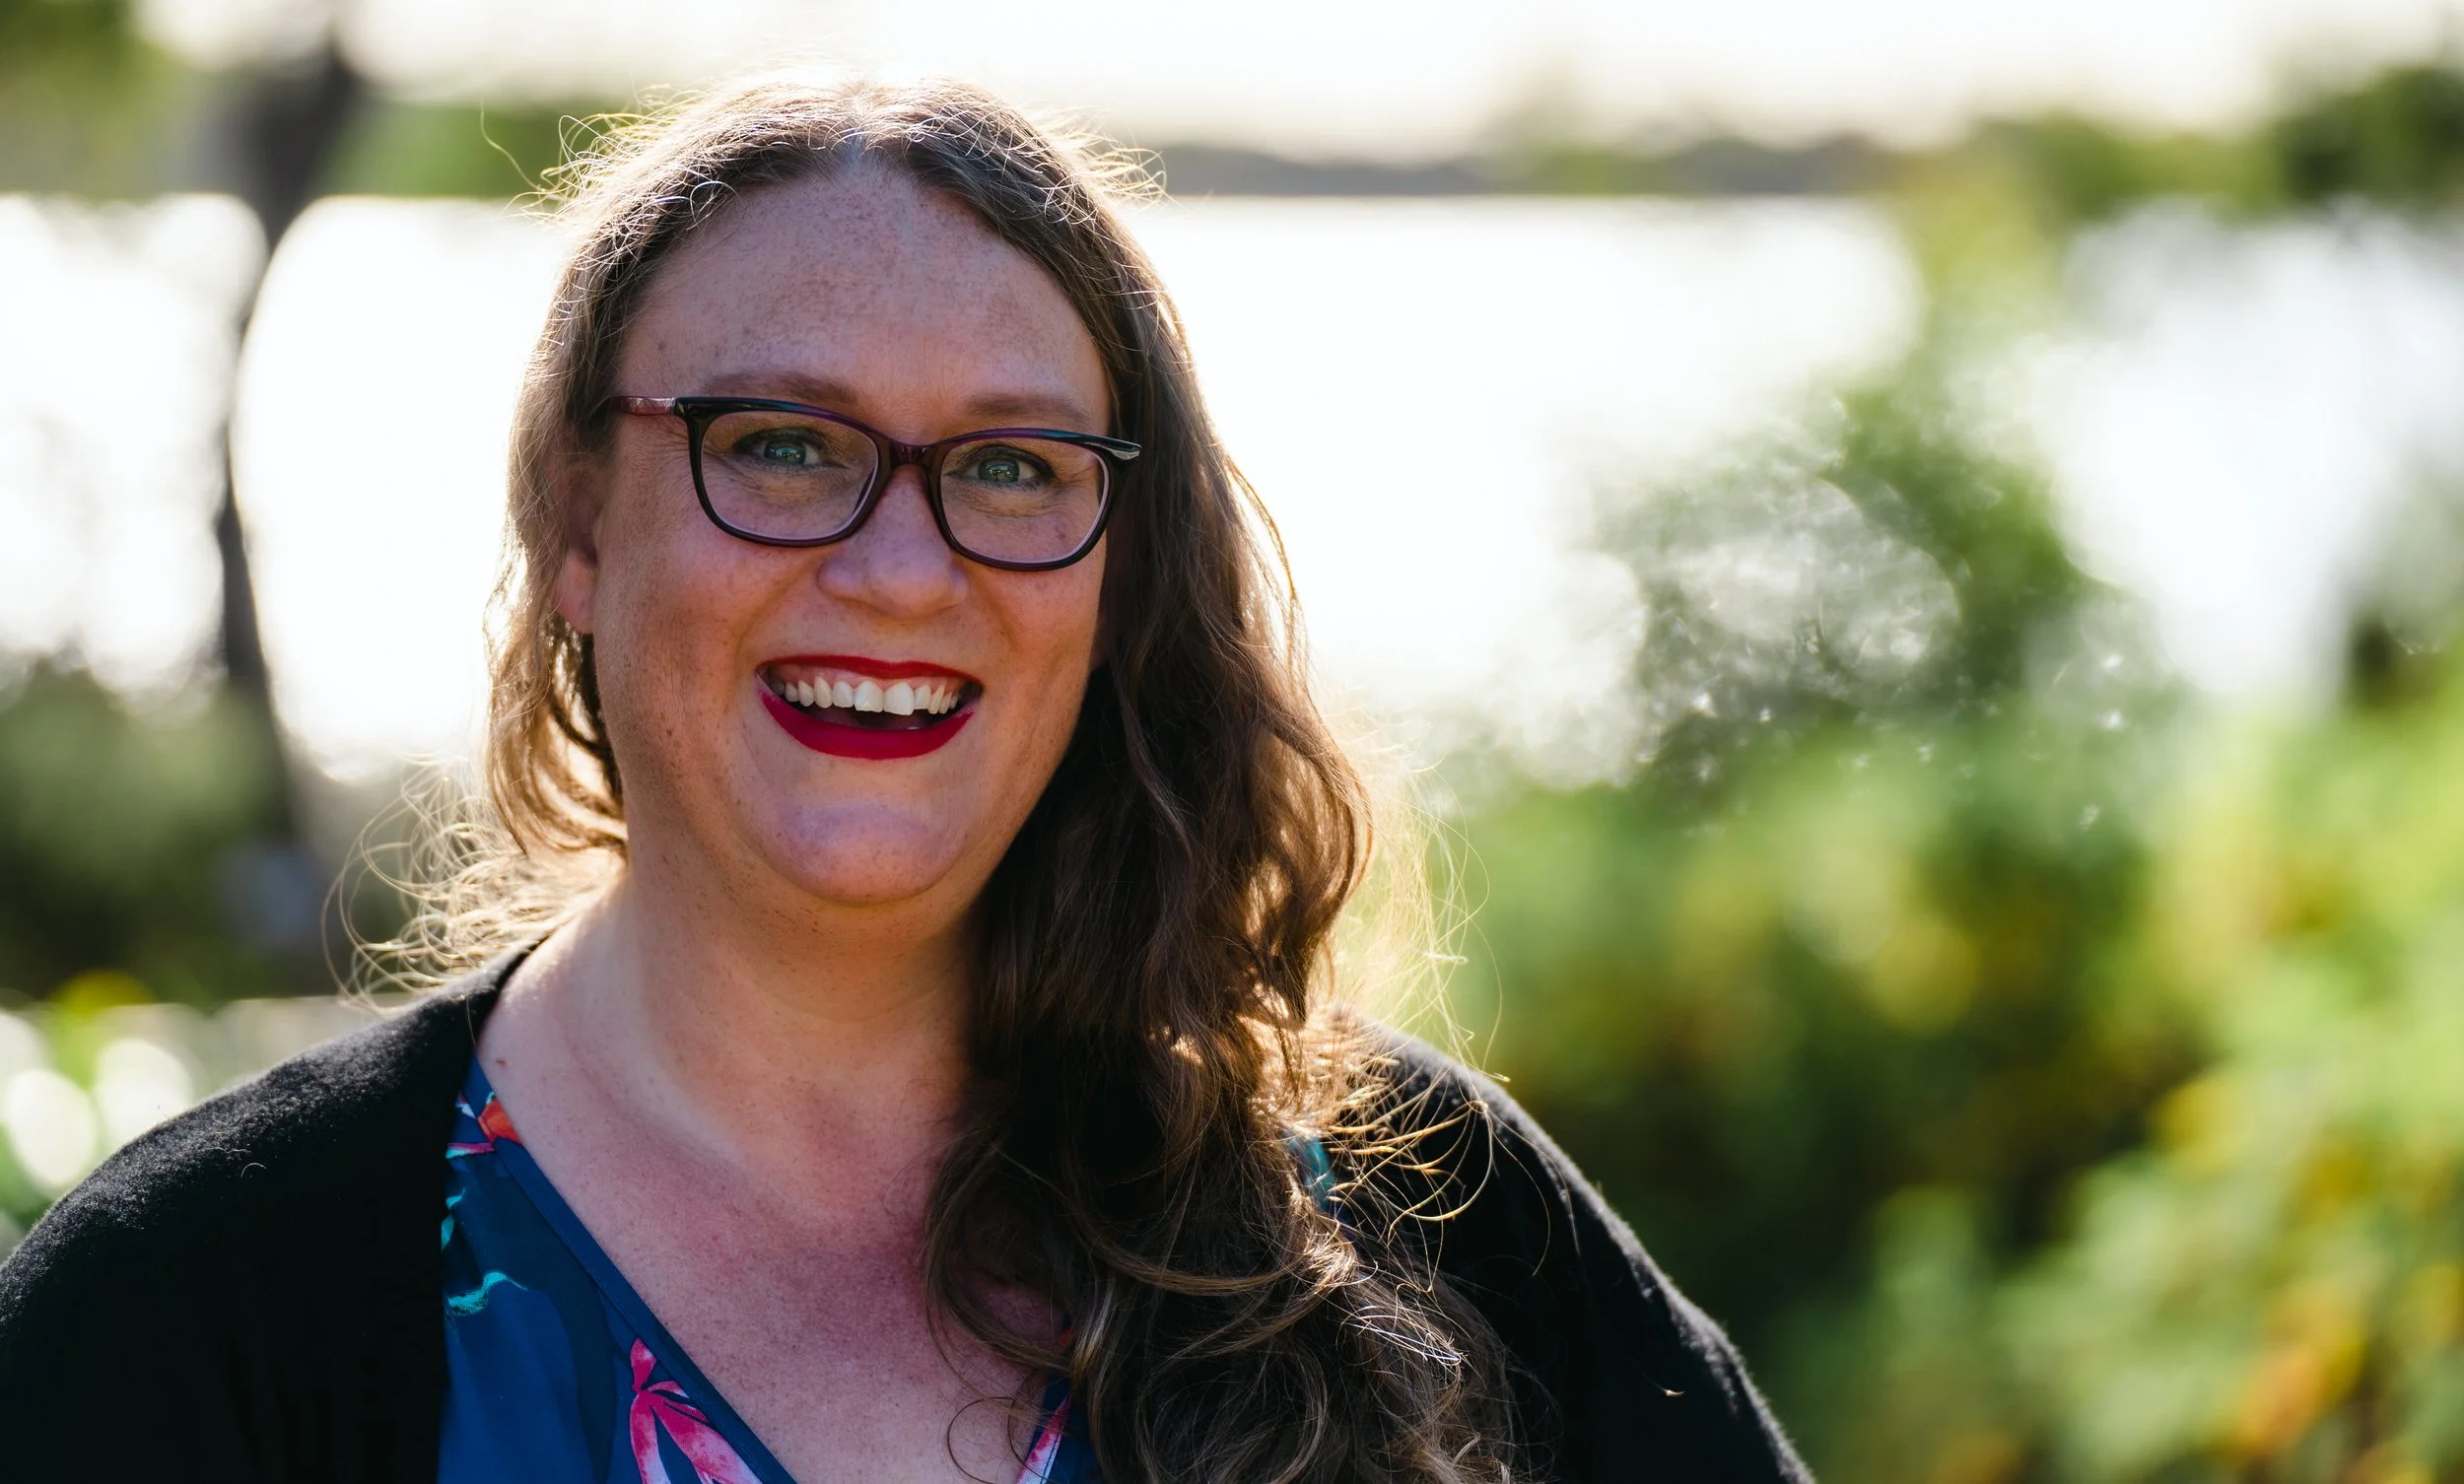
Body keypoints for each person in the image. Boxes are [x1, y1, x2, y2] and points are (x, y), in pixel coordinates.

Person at [0, 78, 1811, 1483]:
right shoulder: (202, 1308)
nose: (899, 570)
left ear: (1119, 573)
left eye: (1013, 469)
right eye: (779, 446)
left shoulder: (1419, 1222)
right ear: (574, 517)